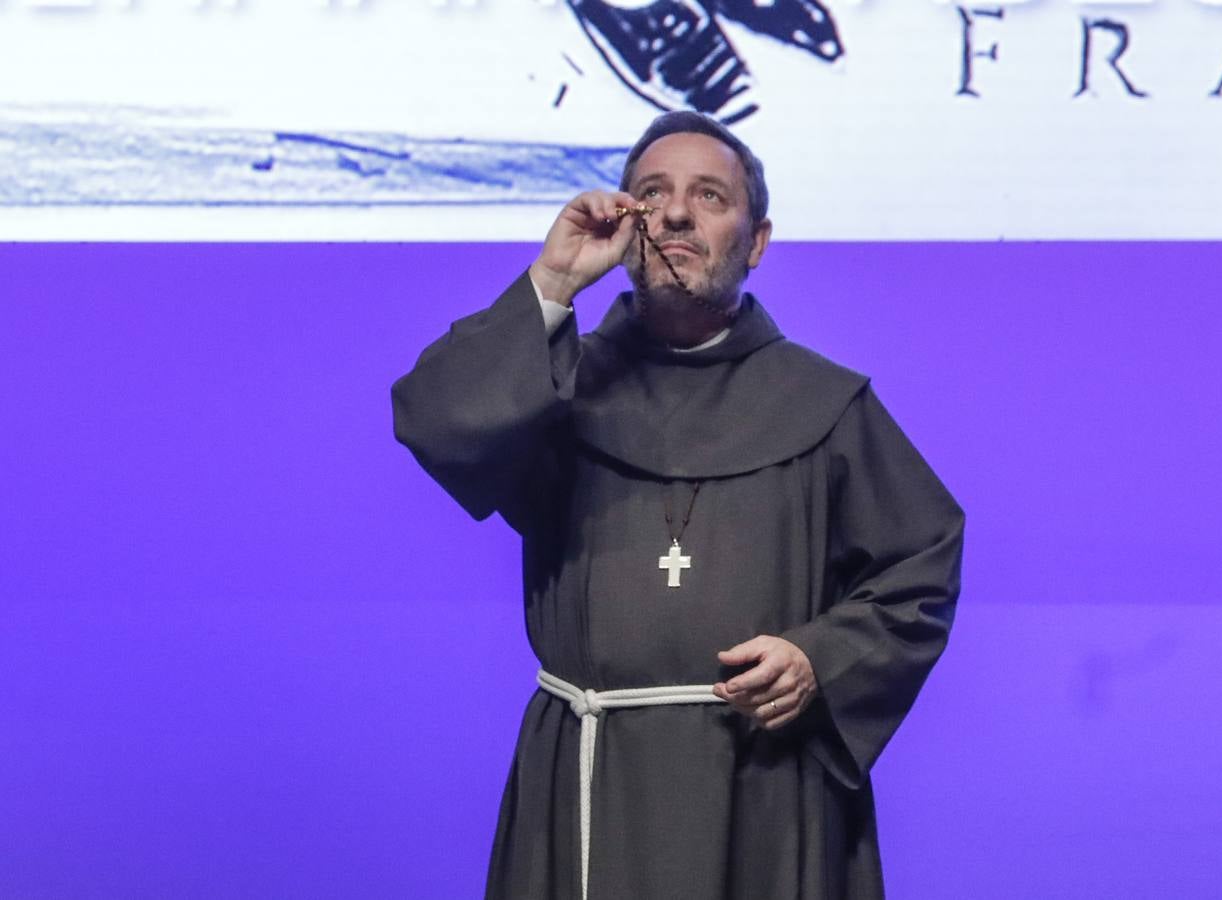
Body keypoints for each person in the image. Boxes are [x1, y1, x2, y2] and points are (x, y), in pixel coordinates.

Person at [391, 111, 963, 900]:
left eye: (709, 196)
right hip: (590, 774)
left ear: (756, 241)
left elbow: (919, 569)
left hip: (763, 789)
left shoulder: (824, 403)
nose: (676, 213)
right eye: (650, 194)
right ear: (624, 224)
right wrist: (552, 284)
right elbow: (436, 423)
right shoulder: (558, 389)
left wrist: (818, 660)